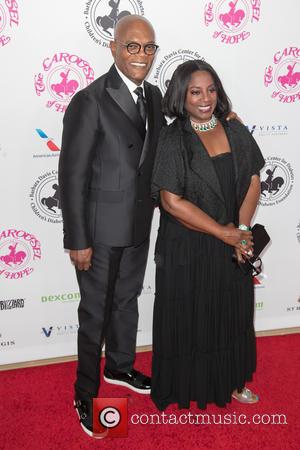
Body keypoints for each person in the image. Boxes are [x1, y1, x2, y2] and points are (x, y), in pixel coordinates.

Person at [58, 15, 165, 437]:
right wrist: (78, 239)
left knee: (126, 302)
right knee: (94, 314)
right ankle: (85, 391)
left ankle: (120, 367)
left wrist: (222, 119)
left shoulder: (153, 96)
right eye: (132, 46)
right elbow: (72, 176)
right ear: (114, 48)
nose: (141, 55)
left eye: (149, 47)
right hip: (99, 233)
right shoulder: (90, 100)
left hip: (139, 224)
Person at [151, 60, 265, 411]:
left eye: (211, 90)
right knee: (191, 318)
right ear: (181, 96)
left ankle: (231, 381)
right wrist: (223, 233)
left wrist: (243, 233)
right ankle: (188, 387)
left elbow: (252, 180)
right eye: (195, 92)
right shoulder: (174, 138)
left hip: (232, 246)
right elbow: (171, 202)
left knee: (231, 315)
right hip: (188, 248)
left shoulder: (235, 130)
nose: (205, 99)